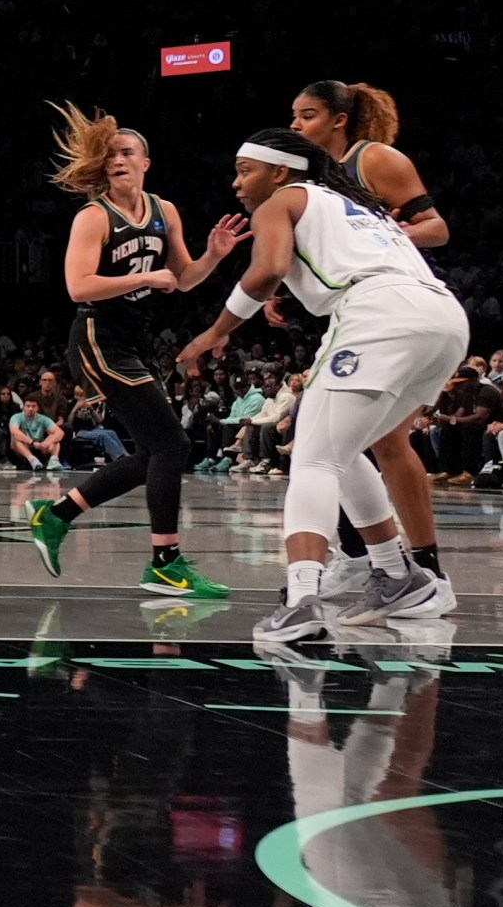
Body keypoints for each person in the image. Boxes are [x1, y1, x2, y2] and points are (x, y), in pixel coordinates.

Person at [178, 128, 467, 640]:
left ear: (280, 171)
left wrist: (214, 333)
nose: (237, 183)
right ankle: (399, 576)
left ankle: (303, 598)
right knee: (344, 447)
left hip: (379, 314)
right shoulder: (356, 204)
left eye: (246, 171)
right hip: (443, 316)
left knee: (311, 458)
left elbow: (268, 268)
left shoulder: (282, 199)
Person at [19, 106, 243, 599]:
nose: (118, 159)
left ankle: (55, 516)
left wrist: (213, 256)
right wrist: (143, 275)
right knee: (174, 446)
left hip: (134, 338)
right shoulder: (94, 216)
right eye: (111, 154)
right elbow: (79, 286)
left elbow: (182, 279)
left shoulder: (165, 211)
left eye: (128, 152)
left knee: (153, 453)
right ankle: (165, 562)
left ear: (146, 162)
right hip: (98, 337)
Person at [286, 79, 451, 588]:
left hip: (396, 307)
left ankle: (417, 565)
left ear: (339, 120)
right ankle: (378, 562)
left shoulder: (374, 159)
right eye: (293, 115)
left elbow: (437, 228)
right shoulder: (311, 176)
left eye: (307, 115)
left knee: (376, 441)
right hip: (355, 314)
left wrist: (391, 232)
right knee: (350, 441)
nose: (296, 124)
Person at [9, 398, 63, 471]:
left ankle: (54, 459)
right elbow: (14, 431)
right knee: (16, 438)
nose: (30, 409)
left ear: (37, 408)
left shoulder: (43, 418)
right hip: (25, 446)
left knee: (55, 437)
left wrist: (47, 443)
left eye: (33, 406)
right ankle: (32, 459)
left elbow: (60, 432)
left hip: (40, 447)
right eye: (28, 406)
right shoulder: (16, 417)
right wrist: (32, 442)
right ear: (24, 407)